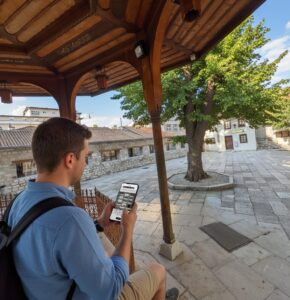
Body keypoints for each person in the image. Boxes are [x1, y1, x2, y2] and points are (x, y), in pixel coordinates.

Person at [8, 117, 179, 300]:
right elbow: (110, 290)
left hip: (39, 290)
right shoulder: (70, 219)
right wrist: (127, 231)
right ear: (70, 160)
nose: (85, 164)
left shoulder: (18, 202)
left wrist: (98, 223)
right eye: (85, 157)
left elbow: (56, 241)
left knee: (105, 251)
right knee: (158, 270)